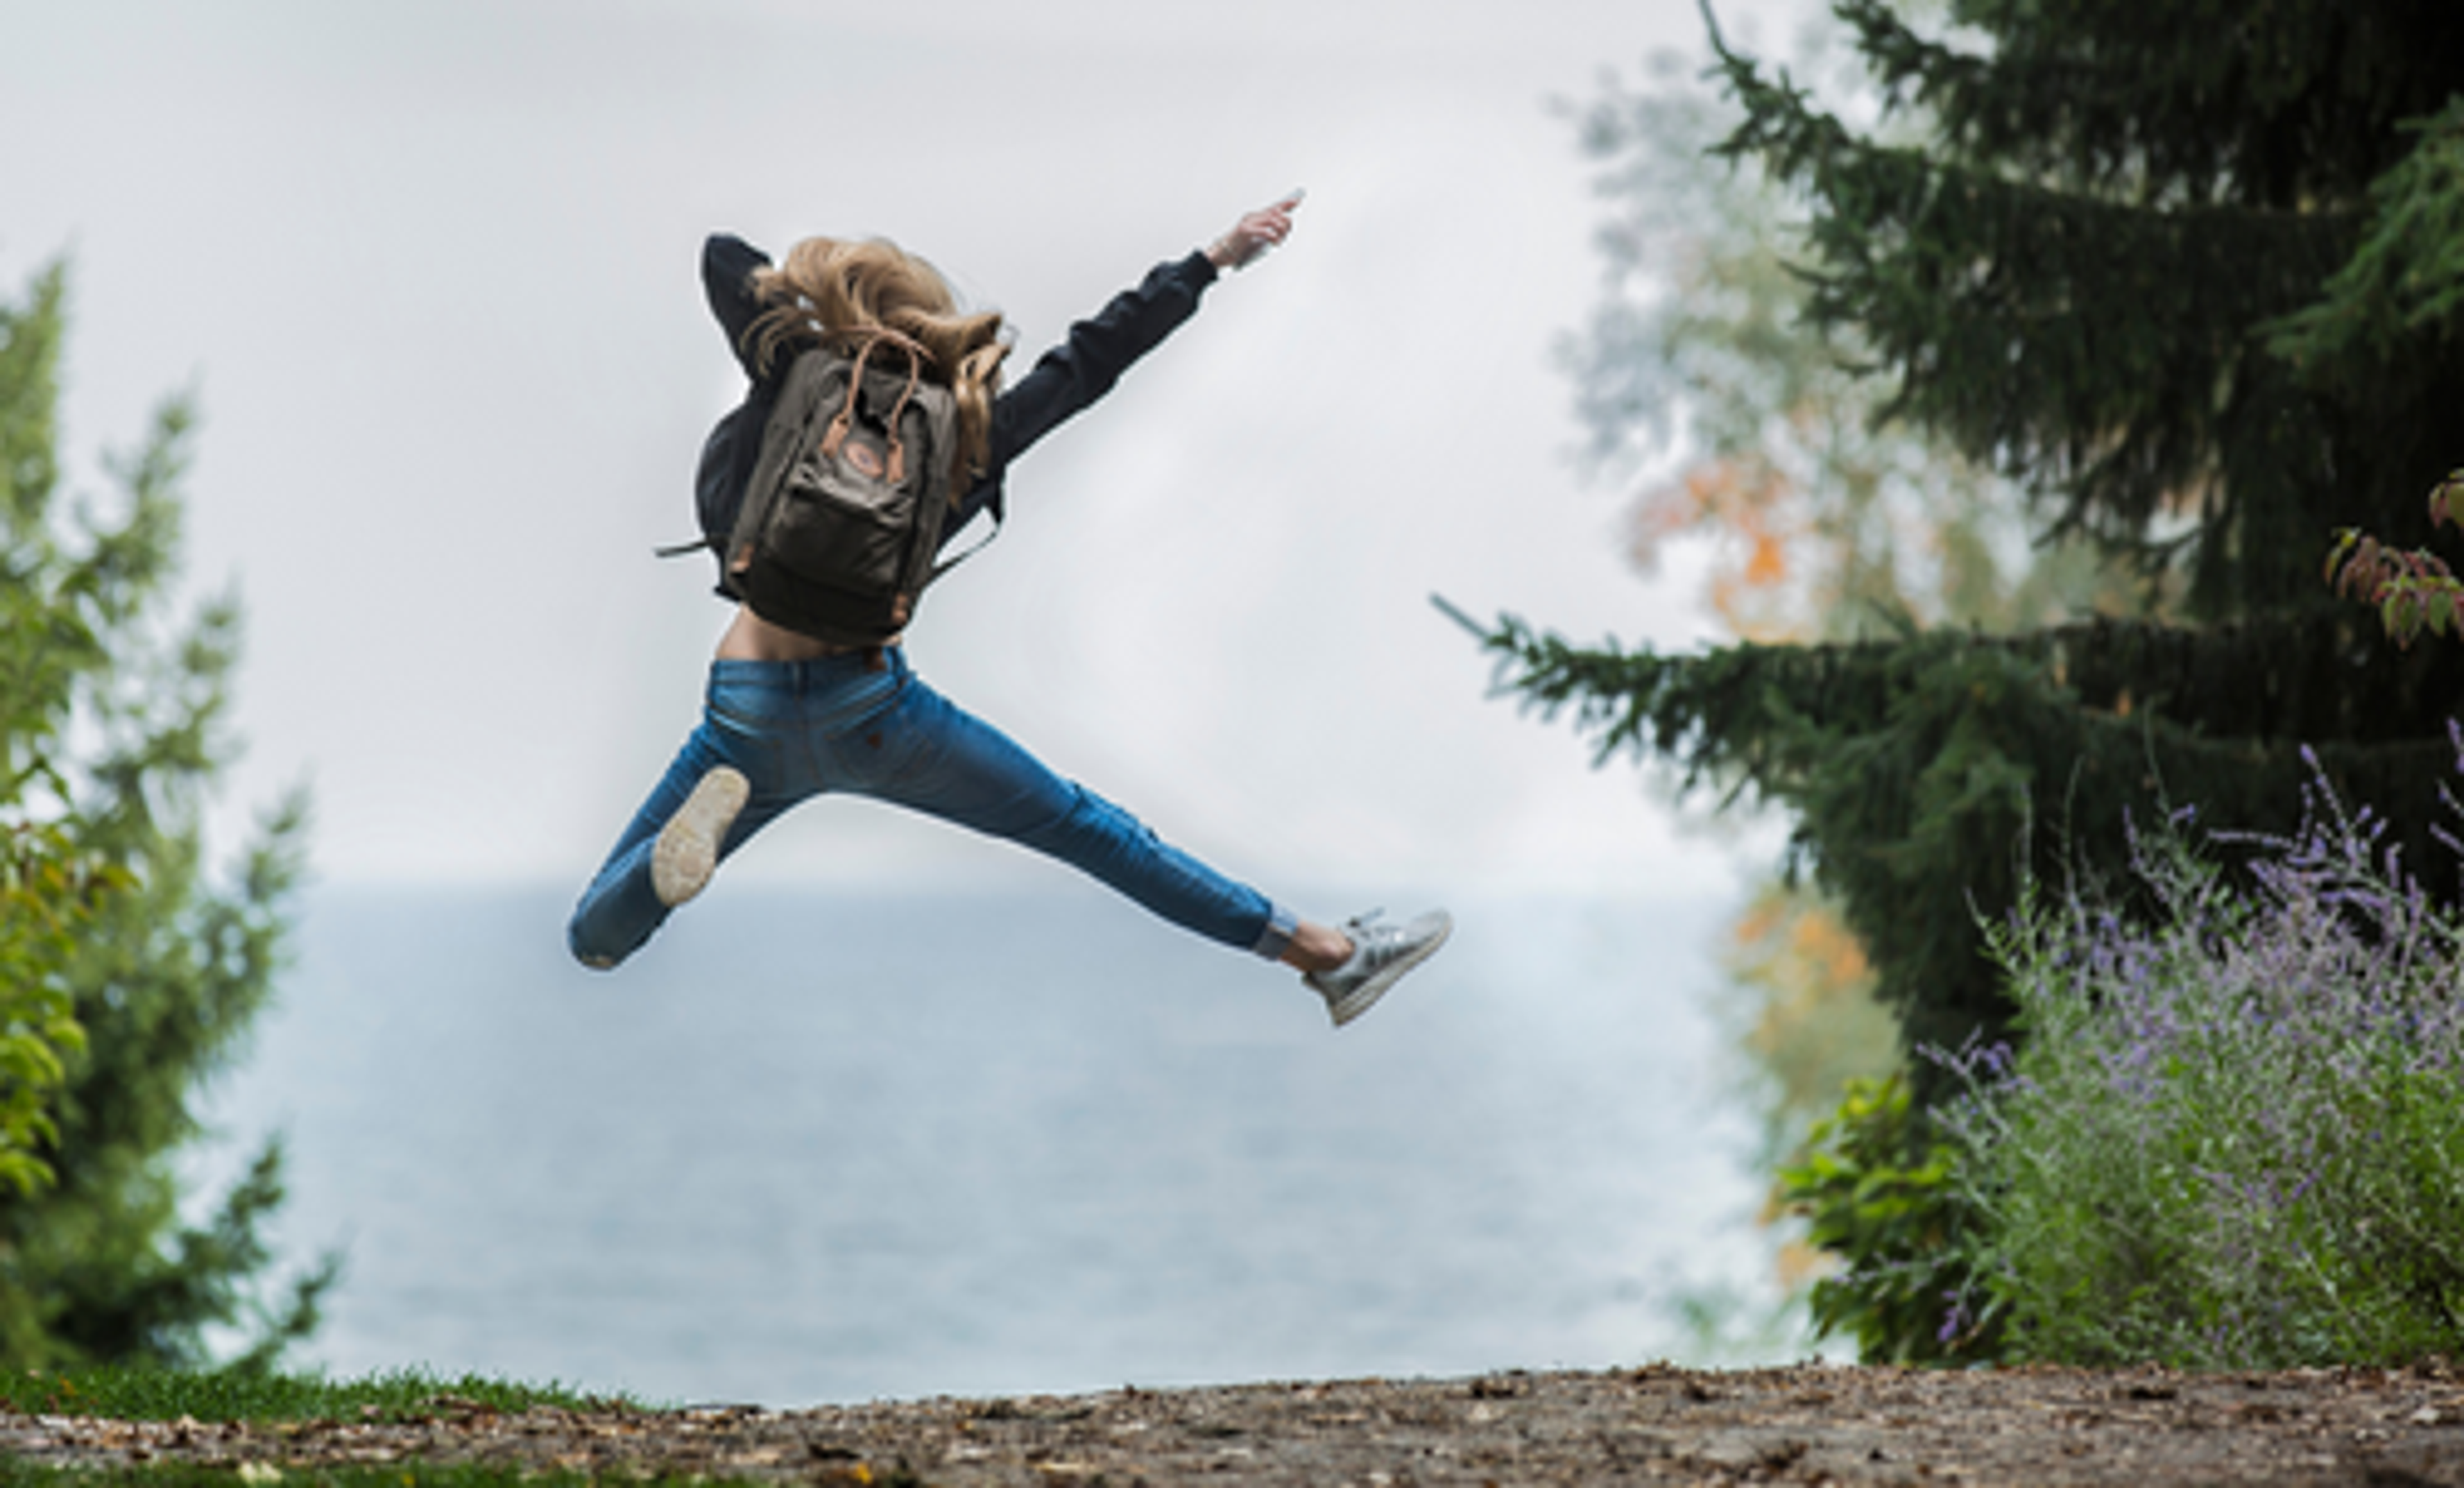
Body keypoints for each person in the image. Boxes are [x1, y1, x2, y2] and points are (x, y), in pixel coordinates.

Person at [567, 194, 1450, 1027]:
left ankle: (658, 876)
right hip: (873, 714)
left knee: (594, 938)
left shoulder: (794, 373)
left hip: (746, 711)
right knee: (1094, 833)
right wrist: (1211, 261)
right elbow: (1091, 362)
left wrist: (820, 323)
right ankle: (1327, 956)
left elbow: (724, 258)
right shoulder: (963, 434)